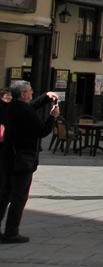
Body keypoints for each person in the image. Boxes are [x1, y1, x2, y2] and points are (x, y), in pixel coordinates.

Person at [0, 81, 59, 244]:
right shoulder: (24, 110)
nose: (32, 93)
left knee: (4, 195)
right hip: (23, 160)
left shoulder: (11, 107)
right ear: (24, 94)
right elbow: (42, 131)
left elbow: (29, 107)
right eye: (30, 91)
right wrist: (52, 117)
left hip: (7, 158)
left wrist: (45, 97)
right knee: (19, 197)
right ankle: (11, 233)